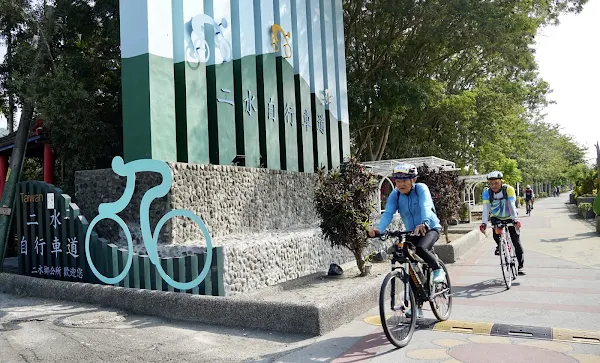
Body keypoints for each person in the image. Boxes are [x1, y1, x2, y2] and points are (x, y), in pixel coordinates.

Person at [368, 163, 446, 318]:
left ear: (413, 179)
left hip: (430, 227)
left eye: (405, 180)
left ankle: (438, 269)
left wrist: (424, 222)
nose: (401, 183)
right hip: (412, 231)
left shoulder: (421, 189)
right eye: (397, 180)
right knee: (410, 268)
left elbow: (425, 205)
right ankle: (417, 307)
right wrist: (379, 230)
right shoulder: (395, 194)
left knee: (422, 249)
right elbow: (388, 213)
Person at [479, 171, 526, 275]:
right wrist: (484, 223)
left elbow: (511, 204)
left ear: (501, 182)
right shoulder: (487, 193)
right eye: (491, 183)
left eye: (496, 183)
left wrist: (515, 220)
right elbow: (486, 208)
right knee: (496, 235)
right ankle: (501, 245)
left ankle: (521, 266)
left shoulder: (508, 189)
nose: (493, 186)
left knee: (516, 241)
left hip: (510, 216)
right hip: (496, 216)